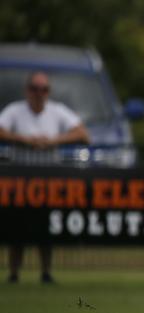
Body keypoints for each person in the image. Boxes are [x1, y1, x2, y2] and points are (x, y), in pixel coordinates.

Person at [0, 71, 90, 284]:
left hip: (48, 181)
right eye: (35, 88)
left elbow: (83, 135)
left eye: (44, 89)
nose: (39, 93)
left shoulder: (57, 111)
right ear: (27, 90)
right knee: (17, 229)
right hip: (20, 181)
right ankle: (14, 273)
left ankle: (46, 272)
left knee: (45, 228)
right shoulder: (15, 110)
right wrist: (24, 140)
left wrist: (53, 142)